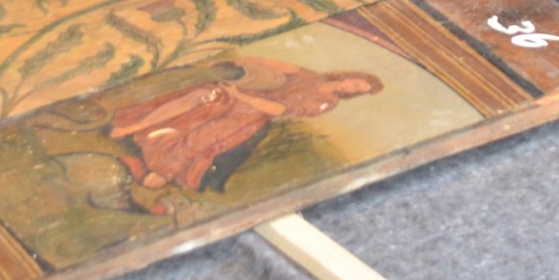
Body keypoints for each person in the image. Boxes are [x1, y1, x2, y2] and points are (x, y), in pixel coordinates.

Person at [110, 57, 381, 194]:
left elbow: (279, 109)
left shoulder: (325, 103)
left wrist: (240, 95)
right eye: (357, 82)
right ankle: (134, 127)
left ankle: (164, 169)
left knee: (213, 133)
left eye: (358, 89)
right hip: (242, 92)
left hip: (253, 112)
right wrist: (243, 65)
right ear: (350, 76)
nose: (353, 87)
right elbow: (275, 65)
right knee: (196, 97)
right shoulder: (312, 76)